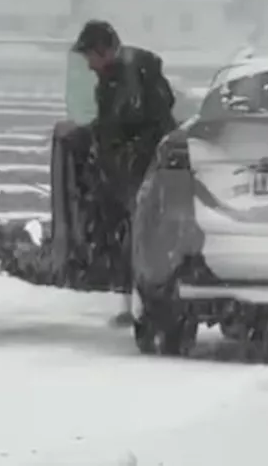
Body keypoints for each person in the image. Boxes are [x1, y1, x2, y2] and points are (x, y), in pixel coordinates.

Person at [70, 20, 178, 327]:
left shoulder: (138, 74)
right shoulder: (110, 78)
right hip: (121, 172)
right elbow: (110, 126)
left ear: (103, 50)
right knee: (123, 235)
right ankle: (129, 303)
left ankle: (144, 306)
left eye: (90, 56)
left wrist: (132, 153)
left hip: (144, 171)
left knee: (140, 237)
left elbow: (157, 123)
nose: (88, 65)